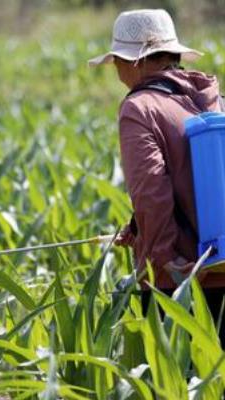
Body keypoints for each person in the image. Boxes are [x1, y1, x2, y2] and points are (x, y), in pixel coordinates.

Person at [88, 9, 225, 340]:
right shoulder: (211, 99)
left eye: (118, 59)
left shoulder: (139, 108)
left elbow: (152, 192)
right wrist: (138, 229)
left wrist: (164, 258)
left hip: (183, 282)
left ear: (134, 61)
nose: (117, 69)